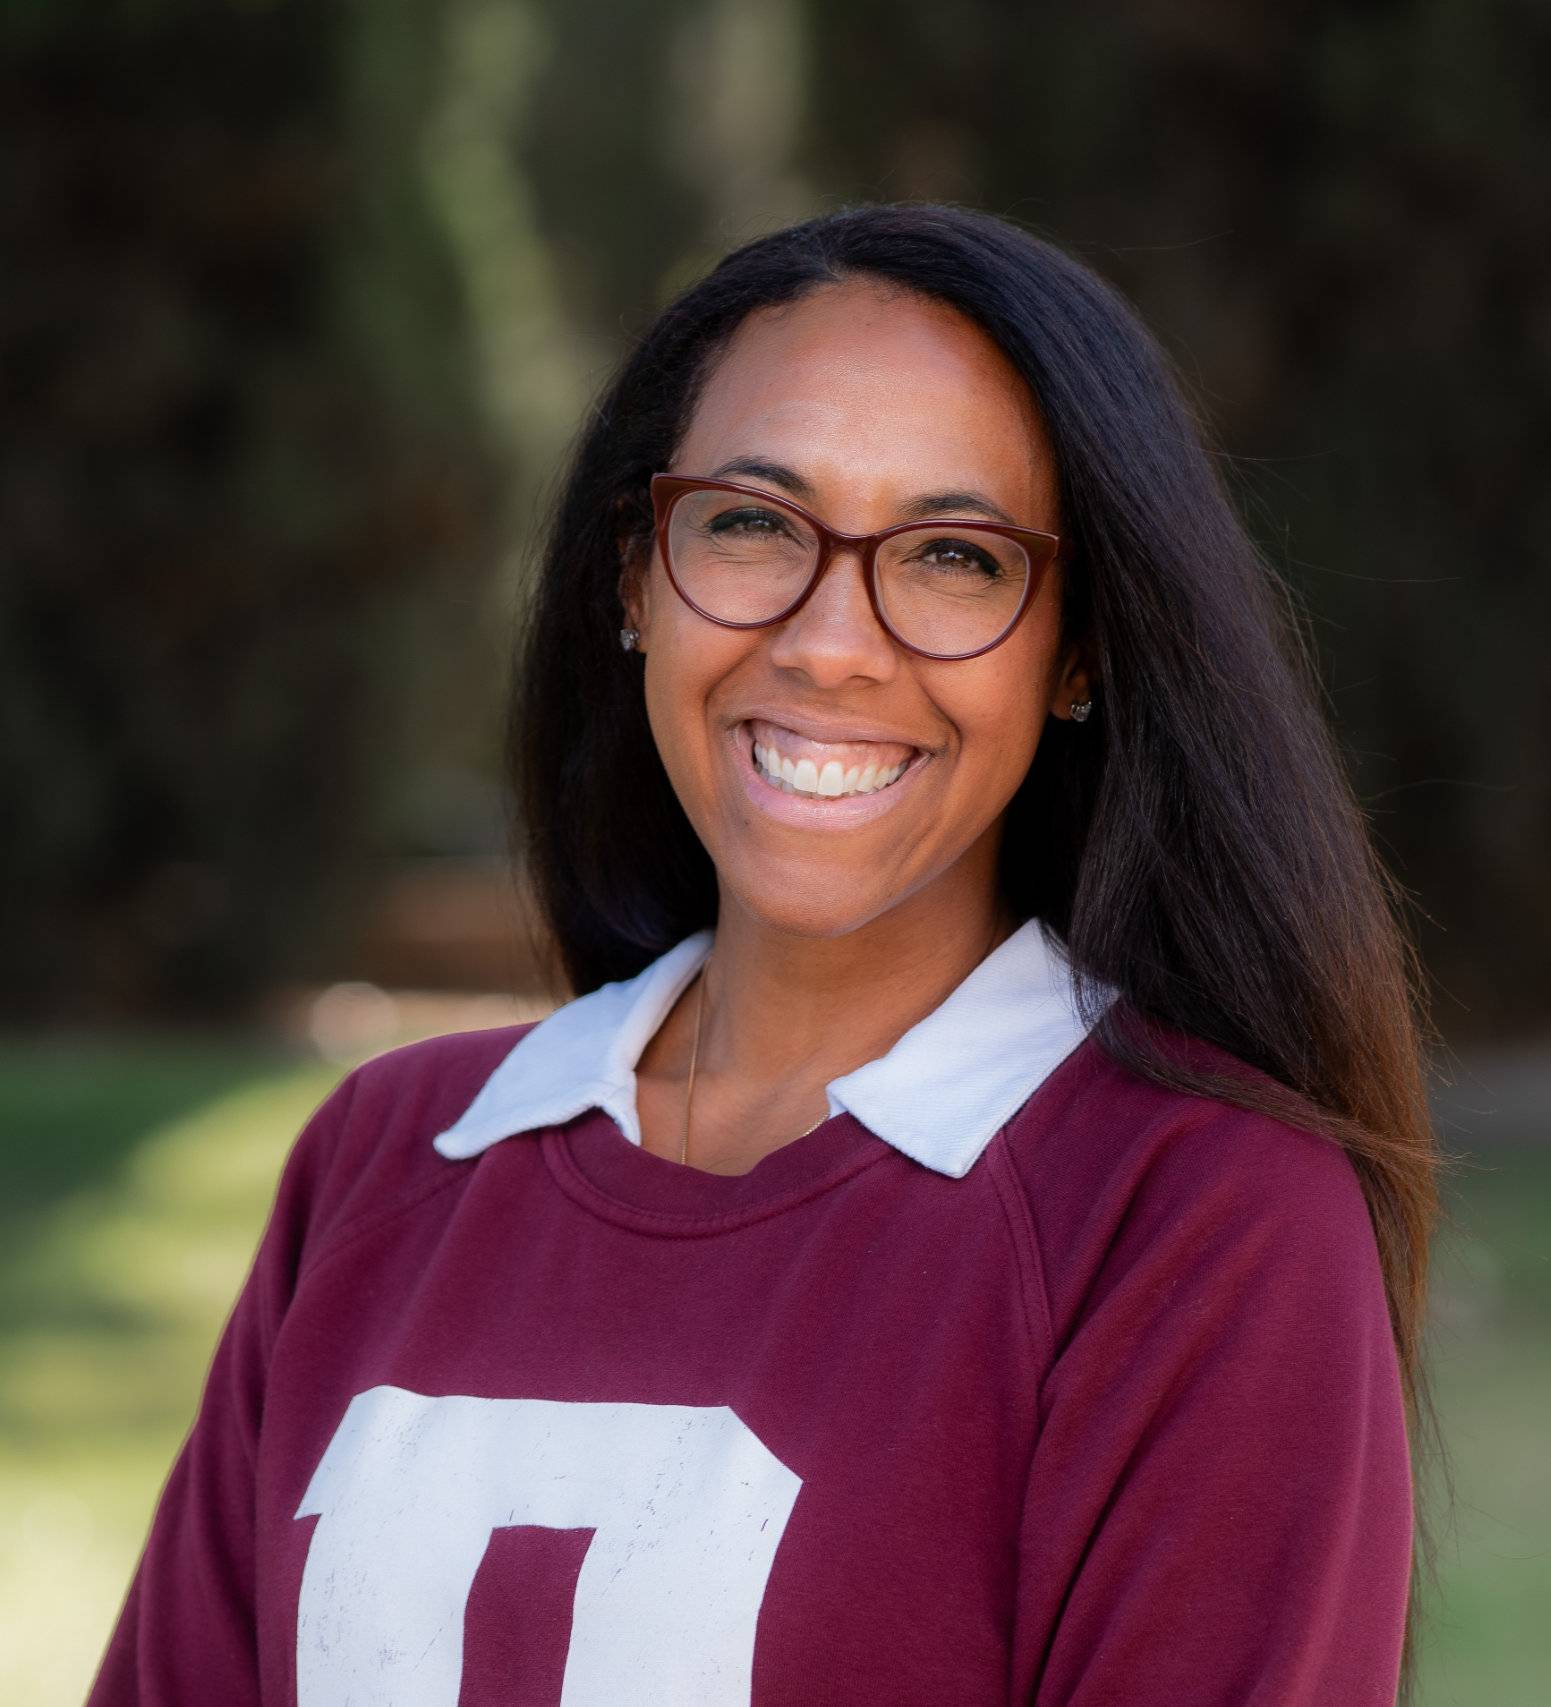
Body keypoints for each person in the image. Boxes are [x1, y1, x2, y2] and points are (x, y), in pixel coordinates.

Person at [88, 201, 1438, 1705]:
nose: (829, 643)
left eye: (951, 556)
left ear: (1078, 651)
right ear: (634, 577)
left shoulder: (1197, 1220)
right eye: (749, 524)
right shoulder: (386, 1160)